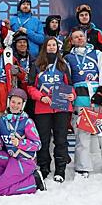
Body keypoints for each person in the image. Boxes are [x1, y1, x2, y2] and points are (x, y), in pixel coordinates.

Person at [0, 88, 46, 196]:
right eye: (13, 102)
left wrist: (20, 143)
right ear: (9, 102)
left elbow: (37, 145)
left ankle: (34, 181)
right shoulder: (1, 121)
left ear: (23, 105)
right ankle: (5, 180)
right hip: (10, 158)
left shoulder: (27, 122)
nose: (15, 105)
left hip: (24, 160)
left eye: (19, 103)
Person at [27, 37, 75, 182]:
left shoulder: (62, 64)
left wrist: (72, 95)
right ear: (45, 47)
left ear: (57, 47)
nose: (52, 47)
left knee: (61, 139)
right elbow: (30, 87)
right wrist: (40, 97)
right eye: (49, 45)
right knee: (43, 139)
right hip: (43, 108)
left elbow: (70, 85)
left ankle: (60, 169)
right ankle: (44, 167)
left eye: (54, 45)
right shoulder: (37, 65)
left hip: (61, 107)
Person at [64, 29, 102, 178]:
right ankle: (83, 166)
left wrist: (100, 92)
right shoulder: (68, 57)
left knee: (100, 134)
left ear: (86, 38)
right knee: (83, 134)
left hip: (97, 99)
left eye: (81, 36)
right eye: (75, 37)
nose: (79, 38)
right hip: (81, 99)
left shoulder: (97, 54)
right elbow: (67, 79)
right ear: (71, 41)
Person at [12, 31, 36, 119]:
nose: (22, 44)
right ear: (15, 45)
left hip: (30, 93)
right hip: (17, 92)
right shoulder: (11, 59)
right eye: (19, 42)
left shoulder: (33, 59)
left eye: (24, 42)